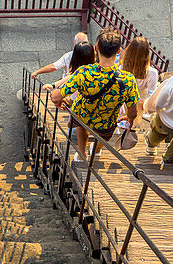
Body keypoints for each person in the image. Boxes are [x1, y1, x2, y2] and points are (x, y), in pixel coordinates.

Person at [51, 29, 139, 165]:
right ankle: (96, 150)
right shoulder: (128, 79)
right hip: (107, 121)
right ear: (119, 51)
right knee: (103, 135)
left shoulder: (84, 72)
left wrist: (59, 99)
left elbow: (56, 97)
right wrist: (130, 118)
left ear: (96, 48)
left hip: (82, 116)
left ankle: (82, 155)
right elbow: (133, 111)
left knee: (81, 125)